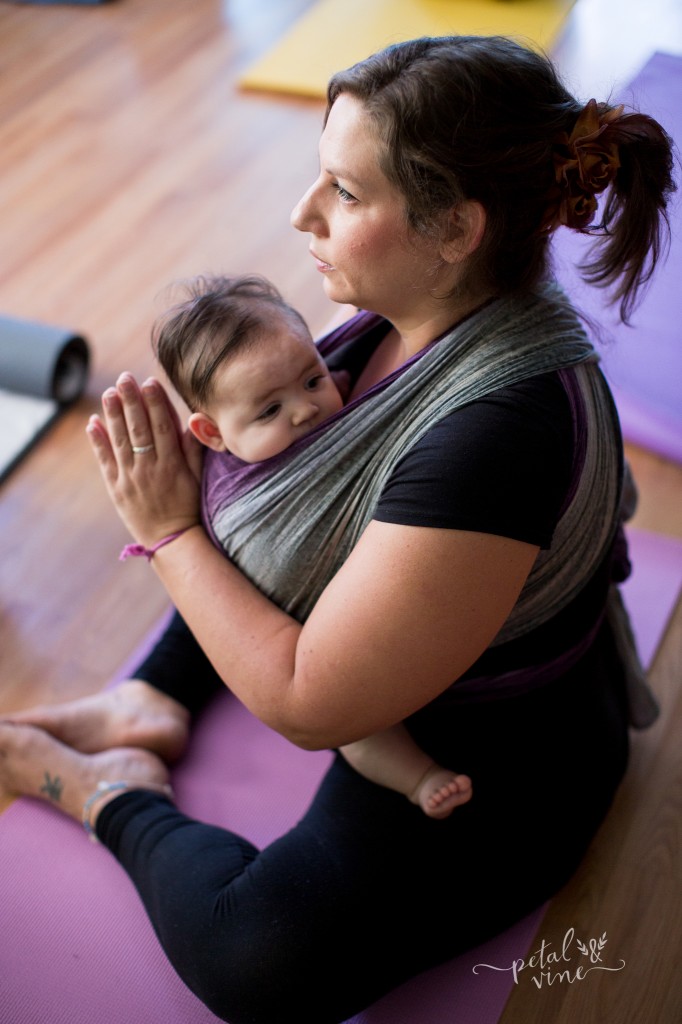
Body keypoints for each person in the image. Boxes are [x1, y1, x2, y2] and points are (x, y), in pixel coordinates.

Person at [1, 34, 675, 1024]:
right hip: (409, 636)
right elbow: (297, 526)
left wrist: (169, 531)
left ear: (455, 227)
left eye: (343, 193)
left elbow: (312, 703)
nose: (300, 213)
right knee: (272, 467)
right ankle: (152, 696)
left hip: (498, 751)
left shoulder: (495, 434)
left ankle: (109, 788)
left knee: (259, 960)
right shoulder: (412, 314)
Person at [151, 270, 473, 819]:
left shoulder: (341, 392)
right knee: (359, 728)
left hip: (386, 601)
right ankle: (417, 778)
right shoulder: (237, 501)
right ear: (213, 434)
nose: (304, 410)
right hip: (297, 634)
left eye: (310, 380)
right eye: (269, 410)